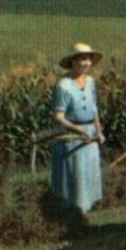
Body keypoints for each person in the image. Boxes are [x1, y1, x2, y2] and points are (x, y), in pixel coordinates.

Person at [49, 42, 105, 216]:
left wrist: (98, 131)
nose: (86, 63)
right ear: (73, 61)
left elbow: (94, 109)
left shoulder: (90, 82)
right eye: (82, 59)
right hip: (72, 138)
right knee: (75, 177)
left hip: (90, 137)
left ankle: (84, 214)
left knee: (89, 175)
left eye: (88, 59)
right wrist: (79, 131)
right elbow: (59, 116)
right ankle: (72, 215)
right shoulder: (63, 85)